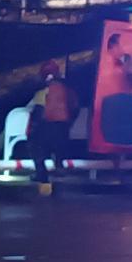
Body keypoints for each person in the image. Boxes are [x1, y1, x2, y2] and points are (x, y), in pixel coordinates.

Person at [30, 60, 78, 192]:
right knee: (59, 149)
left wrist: (35, 125)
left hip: (47, 123)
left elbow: (39, 108)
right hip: (63, 124)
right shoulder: (67, 88)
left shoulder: (44, 88)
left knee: (36, 148)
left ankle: (41, 176)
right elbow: (74, 106)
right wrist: (69, 121)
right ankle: (59, 167)